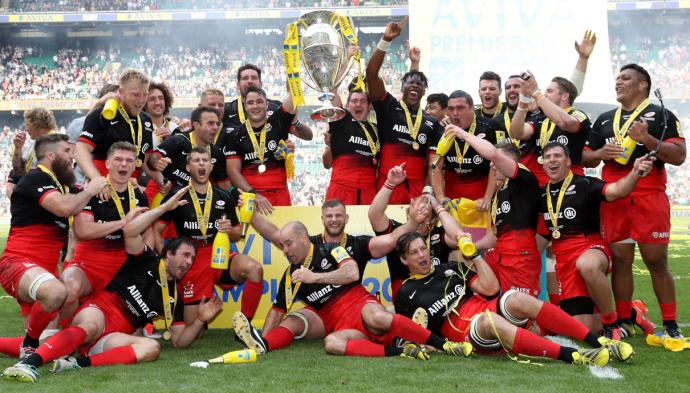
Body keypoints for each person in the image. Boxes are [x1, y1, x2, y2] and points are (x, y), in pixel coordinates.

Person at [1, 187, 222, 383]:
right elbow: (130, 230)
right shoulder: (145, 258)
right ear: (168, 254)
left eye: (192, 259)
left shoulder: (175, 298)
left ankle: (76, 364)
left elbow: (180, 342)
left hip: (114, 336)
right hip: (99, 311)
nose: (188, 262)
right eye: (184, 255)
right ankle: (29, 363)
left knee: (152, 348)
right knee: (89, 328)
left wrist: (200, 320)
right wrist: (164, 208)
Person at [232, 219, 473, 360]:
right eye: (282, 246)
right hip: (341, 325)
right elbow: (276, 311)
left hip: (360, 306)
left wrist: (315, 277)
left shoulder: (331, 250)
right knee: (332, 344)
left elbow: (352, 273)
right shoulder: (291, 276)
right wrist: (262, 340)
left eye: (288, 244)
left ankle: (444, 345)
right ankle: (401, 349)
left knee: (376, 316)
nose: (285, 250)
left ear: (304, 238)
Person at [393, 232, 633, 366]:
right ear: (404, 260)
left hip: (485, 305)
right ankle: (573, 356)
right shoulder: (406, 292)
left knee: (516, 297)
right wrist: (427, 344)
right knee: (489, 321)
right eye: (414, 253)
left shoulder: (450, 267)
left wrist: (475, 256)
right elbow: (407, 331)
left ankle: (599, 342)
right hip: (465, 330)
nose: (422, 255)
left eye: (422, 248)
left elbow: (491, 288)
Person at [583, 64, 686, 338]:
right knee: (620, 259)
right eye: (617, 78)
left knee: (656, 261)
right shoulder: (605, 119)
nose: (618, 82)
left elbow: (678, 156)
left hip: (649, 195)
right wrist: (601, 152)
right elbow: (584, 157)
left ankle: (671, 326)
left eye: (625, 78)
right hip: (615, 195)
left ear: (642, 85)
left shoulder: (661, 114)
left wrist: (648, 139)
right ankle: (625, 319)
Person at [0, 134, 107, 359]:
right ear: (51, 155)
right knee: (58, 292)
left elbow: (79, 212)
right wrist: (90, 190)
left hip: (45, 270)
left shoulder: (62, 185)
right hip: (17, 263)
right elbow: (63, 209)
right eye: (67, 152)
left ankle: (27, 345)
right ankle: (28, 343)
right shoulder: (36, 177)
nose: (73, 158)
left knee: (48, 342)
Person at [539, 141, 654, 338]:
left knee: (587, 265)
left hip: (590, 246)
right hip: (564, 259)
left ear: (568, 161)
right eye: (548, 157)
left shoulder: (585, 183)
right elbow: (542, 234)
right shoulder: (541, 194)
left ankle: (611, 324)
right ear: (542, 164)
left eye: (557, 156)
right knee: (580, 329)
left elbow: (617, 191)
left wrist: (635, 172)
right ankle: (634, 311)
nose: (552, 160)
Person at [155, 148, 263, 325]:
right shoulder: (178, 195)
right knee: (191, 330)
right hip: (192, 261)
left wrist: (230, 230)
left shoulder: (224, 197)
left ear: (211, 166)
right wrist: (167, 261)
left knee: (254, 269)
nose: (202, 164)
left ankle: (246, 325)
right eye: (196, 160)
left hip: (219, 254)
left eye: (205, 160)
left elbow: (237, 236)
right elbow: (156, 230)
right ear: (188, 167)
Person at [445, 125, 541, 297]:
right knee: (458, 258)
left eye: (496, 163)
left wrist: (462, 134)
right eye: (491, 163)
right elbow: (492, 238)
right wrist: (471, 248)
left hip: (520, 257)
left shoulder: (524, 178)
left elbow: (493, 155)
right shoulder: (498, 194)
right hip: (498, 254)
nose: (492, 166)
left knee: (522, 314)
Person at [61, 142, 150, 321]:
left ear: (134, 166)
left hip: (123, 270)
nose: (123, 164)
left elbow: (146, 236)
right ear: (108, 164)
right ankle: (58, 339)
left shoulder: (139, 196)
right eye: (118, 159)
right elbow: (83, 231)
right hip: (88, 264)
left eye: (129, 160)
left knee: (129, 333)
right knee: (68, 291)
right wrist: (123, 222)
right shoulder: (91, 190)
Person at [366, 18, 443, 204]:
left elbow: (433, 165)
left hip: (415, 191)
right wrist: (386, 40)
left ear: (425, 91)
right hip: (387, 186)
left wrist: (427, 191)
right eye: (411, 83)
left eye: (419, 84)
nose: (415, 86)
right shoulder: (389, 107)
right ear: (402, 87)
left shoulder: (431, 123)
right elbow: (371, 74)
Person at [368, 164, 463, 299]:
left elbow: (459, 237)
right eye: (416, 212)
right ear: (408, 214)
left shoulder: (437, 234)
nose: (420, 218)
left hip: (439, 294)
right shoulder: (397, 232)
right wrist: (389, 184)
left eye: (425, 215)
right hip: (407, 297)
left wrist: (437, 207)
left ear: (432, 221)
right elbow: (374, 215)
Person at [429, 90, 501, 236]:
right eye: (451, 108)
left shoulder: (489, 126)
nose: (455, 113)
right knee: (455, 244)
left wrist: (488, 197)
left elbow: (496, 163)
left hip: (481, 202)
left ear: (472, 108)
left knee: (481, 244)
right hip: (453, 201)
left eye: (460, 108)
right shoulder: (442, 129)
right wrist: (441, 197)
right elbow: (435, 166)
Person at [509, 72, 591, 186]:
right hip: (542, 186)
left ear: (564, 96)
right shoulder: (540, 119)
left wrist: (536, 92)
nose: (545, 94)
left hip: (571, 183)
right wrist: (523, 102)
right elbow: (516, 133)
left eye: (550, 91)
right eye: (545, 91)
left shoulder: (578, 115)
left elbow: (564, 122)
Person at [224, 86, 298, 211]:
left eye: (259, 102)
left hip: (280, 194)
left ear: (267, 104)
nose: (255, 106)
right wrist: (254, 194)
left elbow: (292, 96)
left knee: (285, 231)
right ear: (245, 106)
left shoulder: (277, 123)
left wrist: (292, 73)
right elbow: (233, 172)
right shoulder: (235, 135)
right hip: (251, 198)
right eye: (250, 103)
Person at [76, 68, 154, 182]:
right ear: (121, 92)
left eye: (145, 95)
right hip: (103, 189)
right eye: (136, 95)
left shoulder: (146, 119)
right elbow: (80, 150)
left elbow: (145, 160)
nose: (141, 100)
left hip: (130, 189)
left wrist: (161, 181)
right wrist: (97, 180)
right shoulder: (103, 114)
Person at [148, 106, 230, 190]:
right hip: (164, 191)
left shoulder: (216, 153)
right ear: (196, 125)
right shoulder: (178, 140)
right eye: (210, 123)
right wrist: (157, 162)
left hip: (191, 198)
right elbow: (153, 158)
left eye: (217, 124)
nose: (216, 127)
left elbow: (225, 187)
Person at [322, 87, 380, 205]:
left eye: (363, 101)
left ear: (369, 106)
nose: (358, 104)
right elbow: (333, 94)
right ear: (347, 106)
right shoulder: (342, 122)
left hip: (369, 191)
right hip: (341, 188)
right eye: (354, 101)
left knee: (367, 224)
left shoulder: (378, 131)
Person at [66, 84, 120, 188]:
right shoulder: (78, 123)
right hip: (83, 180)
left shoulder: (125, 124)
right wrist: (98, 105)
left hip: (115, 179)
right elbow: (74, 154)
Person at [7, 107, 57, 198]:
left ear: (36, 124)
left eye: (27, 124)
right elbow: (19, 171)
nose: (26, 128)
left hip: (46, 199)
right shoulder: (34, 143)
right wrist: (18, 148)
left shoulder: (56, 143)